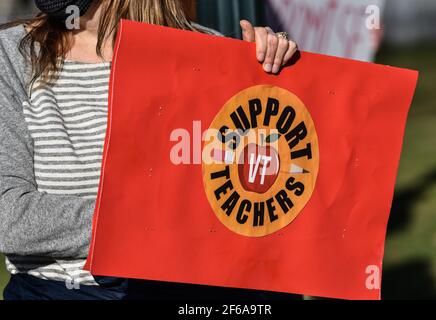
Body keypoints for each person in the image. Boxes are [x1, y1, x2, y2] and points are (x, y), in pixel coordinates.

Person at [0, 0, 299, 300]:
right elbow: (9, 215)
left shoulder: (208, 53)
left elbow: (260, 200)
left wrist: (267, 83)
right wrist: (158, 224)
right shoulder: (12, 55)